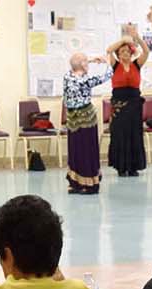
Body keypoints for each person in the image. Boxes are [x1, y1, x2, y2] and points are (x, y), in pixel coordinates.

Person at [62, 52, 112, 194]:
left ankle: (84, 183)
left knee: (78, 150)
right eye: (86, 62)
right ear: (83, 65)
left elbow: (76, 64)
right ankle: (81, 182)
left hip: (79, 119)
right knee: (83, 150)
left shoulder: (68, 76)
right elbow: (108, 75)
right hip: (80, 118)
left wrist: (89, 59)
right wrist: (107, 62)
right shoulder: (84, 80)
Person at [106, 27, 149, 178]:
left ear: (131, 53)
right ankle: (120, 167)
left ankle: (133, 167)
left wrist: (137, 37)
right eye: (122, 51)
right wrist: (123, 41)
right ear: (119, 54)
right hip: (119, 105)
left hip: (134, 104)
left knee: (134, 135)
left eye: (127, 51)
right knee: (119, 134)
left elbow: (146, 52)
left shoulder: (136, 65)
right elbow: (108, 50)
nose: (125, 53)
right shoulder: (115, 65)